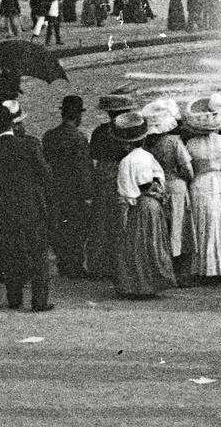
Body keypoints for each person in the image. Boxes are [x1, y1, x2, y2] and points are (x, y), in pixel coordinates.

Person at [0, 101, 52, 312]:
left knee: (10, 252)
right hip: (30, 206)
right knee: (38, 254)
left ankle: (14, 297)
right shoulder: (28, 145)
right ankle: (39, 300)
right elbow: (45, 175)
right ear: (13, 122)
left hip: (2, 208)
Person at [112, 111, 176, 299]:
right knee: (153, 244)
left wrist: (123, 214)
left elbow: (126, 191)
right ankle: (154, 283)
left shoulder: (126, 162)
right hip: (153, 204)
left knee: (135, 246)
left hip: (138, 205)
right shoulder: (148, 156)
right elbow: (160, 179)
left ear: (125, 143)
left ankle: (137, 286)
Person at [183, 95, 221, 279]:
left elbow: (188, 170)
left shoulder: (191, 144)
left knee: (201, 225)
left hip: (199, 183)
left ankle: (202, 268)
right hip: (220, 183)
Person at [142, 98, 195, 286]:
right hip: (176, 185)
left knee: (162, 229)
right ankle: (182, 274)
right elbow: (187, 169)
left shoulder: (147, 144)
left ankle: (164, 269)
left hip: (157, 187)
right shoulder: (174, 142)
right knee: (180, 230)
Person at [41, 95, 92, 279]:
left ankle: (63, 263)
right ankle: (75, 265)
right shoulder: (79, 138)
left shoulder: (49, 136)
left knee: (59, 227)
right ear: (78, 116)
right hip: (74, 191)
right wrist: (88, 193)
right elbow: (83, 168)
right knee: (76, 229)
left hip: (55, 189)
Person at [85, 93, 135, 279]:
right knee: (123, 222)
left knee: (101, 222)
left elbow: (94, 154)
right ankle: (122, 264)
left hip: (104, 176)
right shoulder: (129, 131)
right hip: (123, 175)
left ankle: (98, 265)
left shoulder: (100, 131)